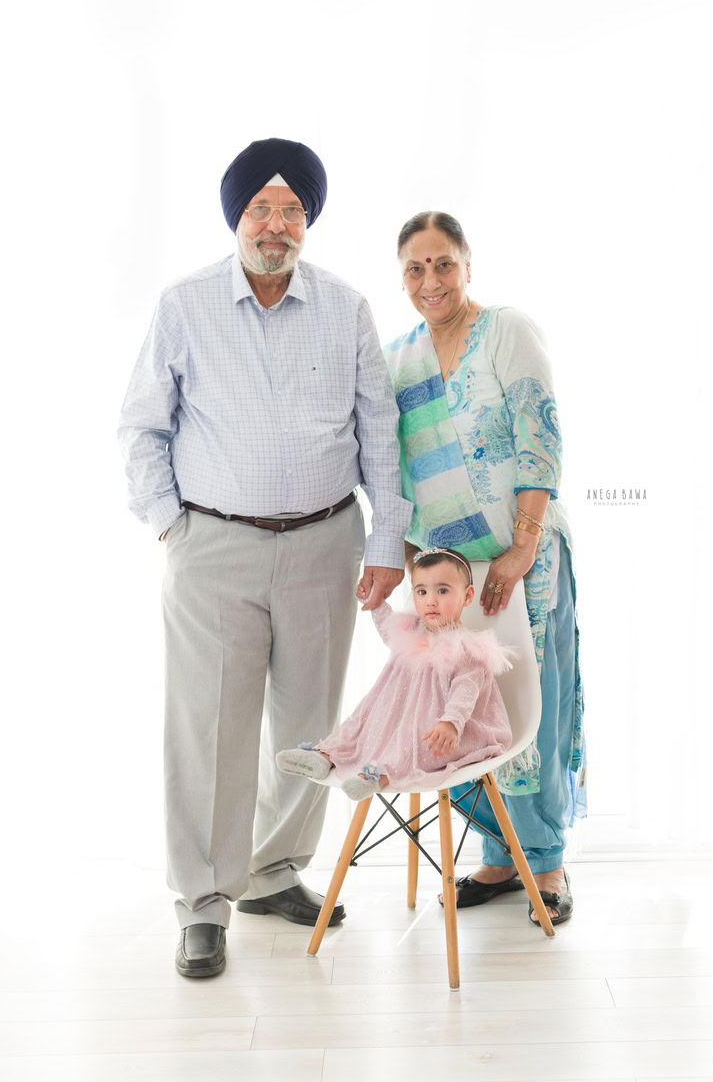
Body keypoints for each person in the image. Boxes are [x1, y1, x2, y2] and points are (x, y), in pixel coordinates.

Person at [117, 138, 411, 978]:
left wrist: (385, 541)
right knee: (209, 730)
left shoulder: (346, 308)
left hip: (325, 542)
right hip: (214, 546)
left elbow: (379, 433)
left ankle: (273, 871)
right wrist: (173, 526)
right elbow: (142, 426)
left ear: (307, 222)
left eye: (291, 210)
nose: (275, 225)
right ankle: (204, 904)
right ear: (236, 217)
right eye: (260, 208)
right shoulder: (185, 305)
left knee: (310, 726)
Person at [384, 211, 586, 927]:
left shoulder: (508, 332)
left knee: (534, 703)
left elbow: (540, 438)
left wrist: (522, 548)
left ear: (468, 265)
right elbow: (397, 472)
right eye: (415, 268)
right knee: (462, 710)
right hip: (448, 577)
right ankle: (500, 860)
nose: (430, 280)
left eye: (443, 264)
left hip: (518, 558)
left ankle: (548, 861)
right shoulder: (398, 359)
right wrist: (410, 571)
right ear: (402, 277)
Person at [276, 547, 515, 799]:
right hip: (403, 716)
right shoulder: (412, 629)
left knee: (419, 743)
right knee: (365, 717)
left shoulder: (467, 648)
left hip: (449, 729)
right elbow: (388, 629)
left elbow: (466, 692)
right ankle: (327, 754)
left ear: (466, 596)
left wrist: (451, 722)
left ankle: (379, 774)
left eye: (442, 591)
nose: (430, 600)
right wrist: (376, 602)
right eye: (422, 592)